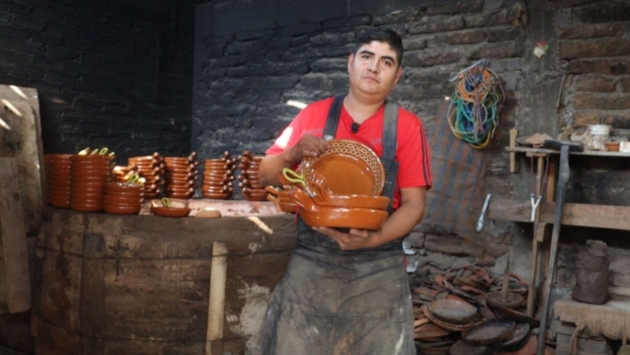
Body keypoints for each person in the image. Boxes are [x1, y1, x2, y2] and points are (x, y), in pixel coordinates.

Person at [252, 27, 432, 355]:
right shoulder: (313, 114)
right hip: (311, 264)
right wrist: (292, 154)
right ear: (350, 63)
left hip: (377, 271)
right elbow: (265, 174)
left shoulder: (408, 127)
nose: (374, 67)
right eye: (367, 56)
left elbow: (414, 205)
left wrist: (374, 238)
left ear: (398, 75)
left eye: (386, 62)